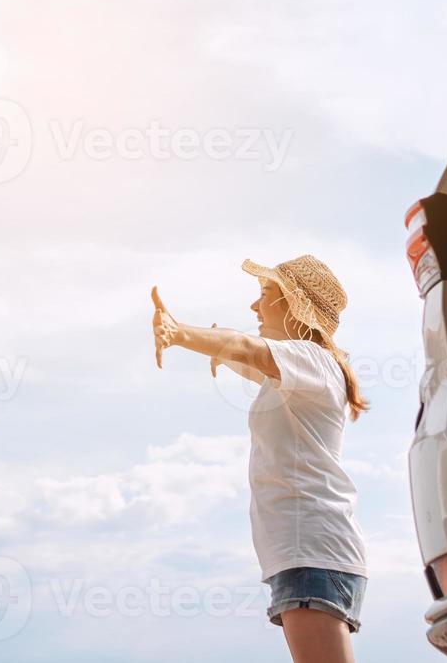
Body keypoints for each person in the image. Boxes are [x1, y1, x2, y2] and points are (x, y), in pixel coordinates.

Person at [150, 256, 370, 663]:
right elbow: (244, 357)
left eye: (265, 294)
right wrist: (213, 346)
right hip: (305, 553)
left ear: (296, 307)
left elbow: (246, 348)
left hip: (314, 551)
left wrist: (178, 332)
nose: (255, 306)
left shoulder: (311, 358)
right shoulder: (302, 373)